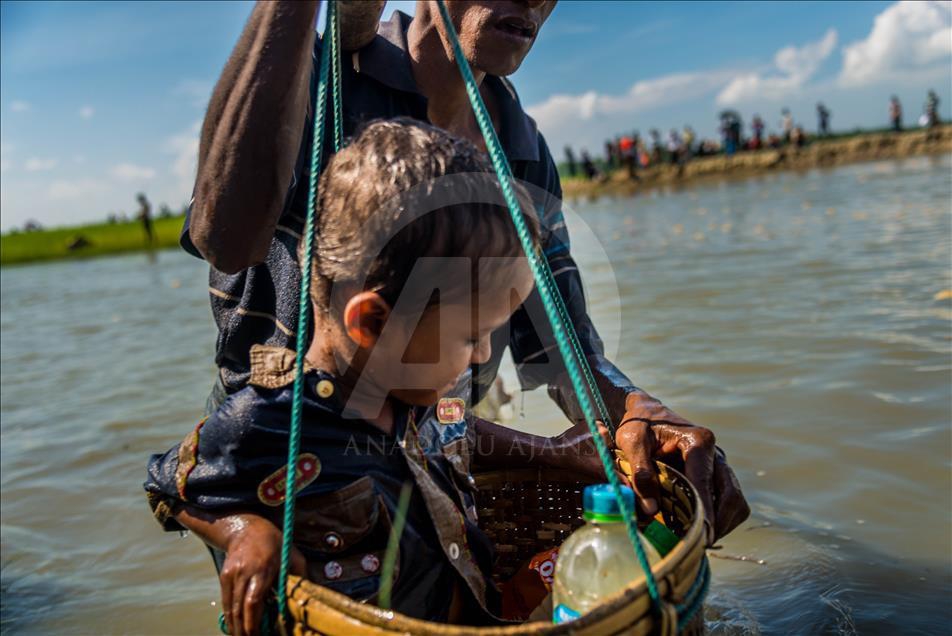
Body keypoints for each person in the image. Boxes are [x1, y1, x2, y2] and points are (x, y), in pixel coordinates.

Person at [184, 0, 748, 559]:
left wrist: (638, 412)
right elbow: (227, 240)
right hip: (281, 470)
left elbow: (562, 348)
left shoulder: (521, 155)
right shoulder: (321, 76)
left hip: (436, 455)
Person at [147, 120, 562, 631]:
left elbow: (460, 433)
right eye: (469, 336)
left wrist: (556, 454)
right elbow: (171, 482)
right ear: (372, 322)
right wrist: (244, 531)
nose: (480, 357)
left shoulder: (412, 392)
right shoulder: (272, 419)